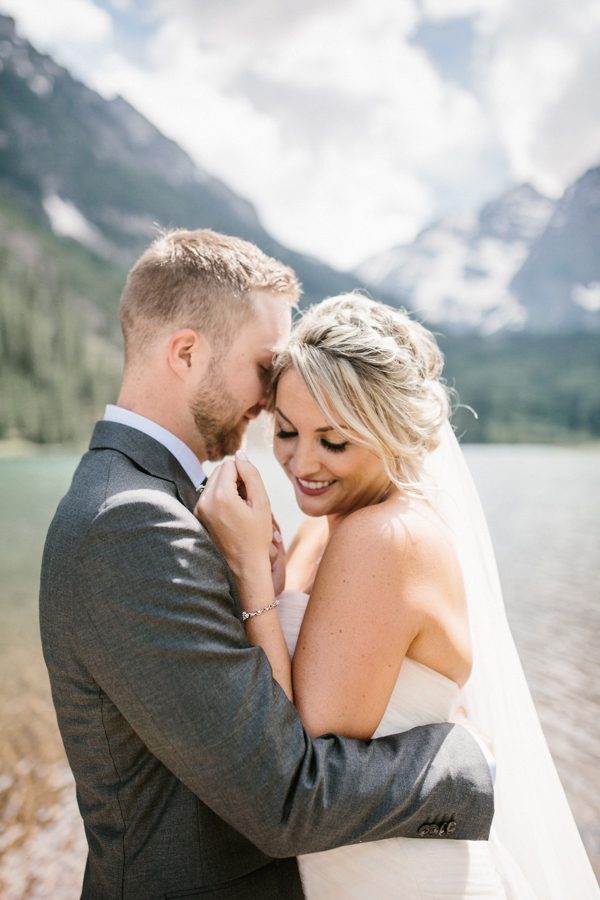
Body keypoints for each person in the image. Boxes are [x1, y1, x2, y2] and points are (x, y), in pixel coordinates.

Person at [39, 231, 495, 900]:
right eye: (263, 364)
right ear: (187, 352)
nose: (270, 392)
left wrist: (266, 583)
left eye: (331, 437)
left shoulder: (158, 501)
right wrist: (463, 764)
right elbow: (285, 793)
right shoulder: (130, 523)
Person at [197, 293, 600, 899]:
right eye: (285, 431)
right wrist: (277, 586)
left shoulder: (385, 537)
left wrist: (250, 570)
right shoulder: (321, 530)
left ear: (391, 434)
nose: (300, 462)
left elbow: (301, 763)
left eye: (333, 442)